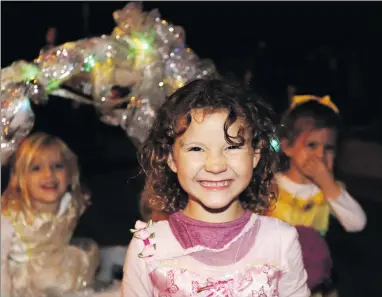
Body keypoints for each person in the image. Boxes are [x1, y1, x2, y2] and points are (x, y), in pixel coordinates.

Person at [122, 79, 310, 297]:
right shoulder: (148, 246)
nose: (216, 165)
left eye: (232, 146)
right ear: (171, 158)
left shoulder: (280, 241)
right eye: (196, 149)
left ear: (256, 154)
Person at [267, 95, 367, 291]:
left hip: (312, 285)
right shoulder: (270, 187)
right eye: (312, 145)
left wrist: (328, 184)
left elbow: (357, 223)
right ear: (287, 146)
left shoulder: (327, 194)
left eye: (328, 148)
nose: (320, 155)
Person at [1, 132, 99, 297]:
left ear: (70, 174)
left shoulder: (69, 206)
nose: (48, 175)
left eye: (57, 166)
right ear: (19, 178)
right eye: (36, 168)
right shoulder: (11, 217)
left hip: (58, 278)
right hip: (21, 287)